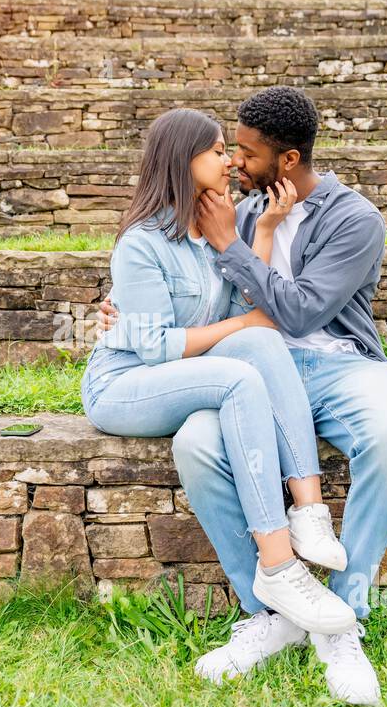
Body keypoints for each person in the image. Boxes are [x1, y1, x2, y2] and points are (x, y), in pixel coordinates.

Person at [98, 87, 387, 706]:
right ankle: (270, 610)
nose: (234, 165)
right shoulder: (239, 212)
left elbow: (298, 314)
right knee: (196, 443)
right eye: (229, 150)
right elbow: (174, 274)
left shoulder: (354, 220)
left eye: (244, 153)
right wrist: (123, 313)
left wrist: (230, 245)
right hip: (247, 368)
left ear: (289, 158)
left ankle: (342, 623)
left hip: (338, 366)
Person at [81, 106, 355, 636]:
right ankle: (278, 566)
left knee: (256, 343)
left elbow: (250, 314)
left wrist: (266, 230)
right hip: (122, 384)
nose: (229, 160)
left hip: (180, 374)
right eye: (216, 151)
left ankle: (310, 510)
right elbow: (155, 347)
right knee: (241, 369)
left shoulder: (211, 236)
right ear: (185, 162)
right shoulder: (141, 243)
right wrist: (249, 322)